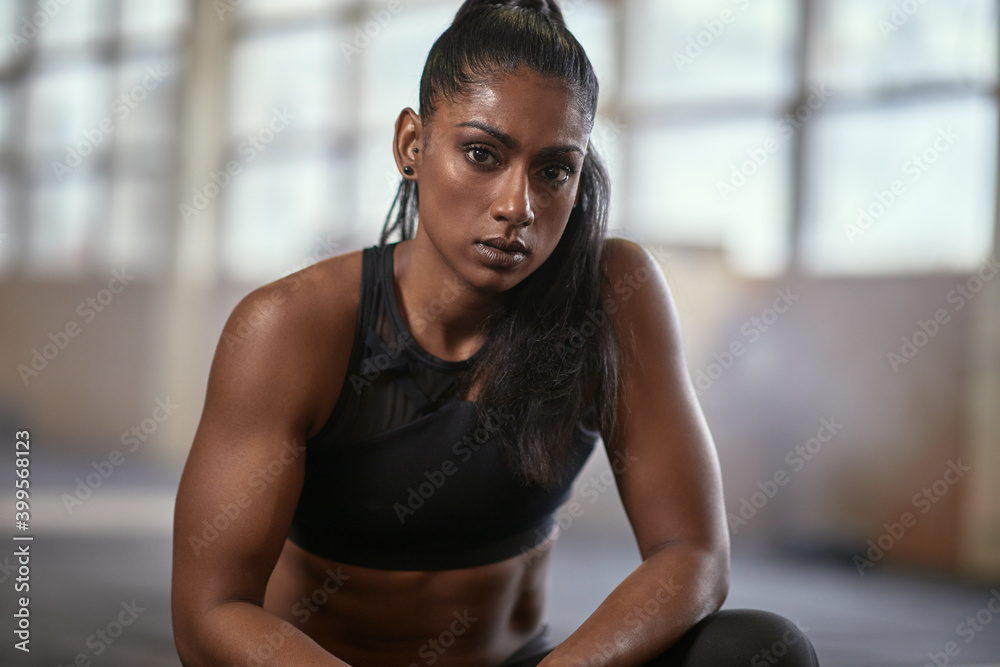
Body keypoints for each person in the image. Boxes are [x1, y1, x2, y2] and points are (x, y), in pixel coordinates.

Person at [171, 1, 820, 665]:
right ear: (412, 146)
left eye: (554, 170)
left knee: (762, 650)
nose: (518, 206)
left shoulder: (611, 298)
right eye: (482, 153)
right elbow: (211, 613)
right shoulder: (290, 325)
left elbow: (693, 554)